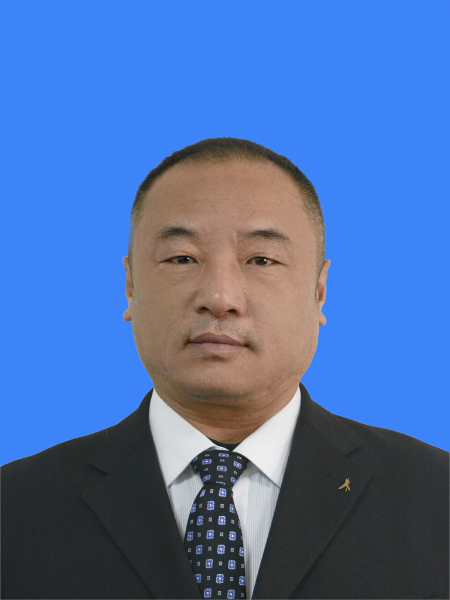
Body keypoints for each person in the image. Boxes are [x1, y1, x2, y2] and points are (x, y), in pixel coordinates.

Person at [1, 137, 448, 600]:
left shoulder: (436, 495)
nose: (219, 297)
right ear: (130, 286)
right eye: (182, 258)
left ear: (319, 292)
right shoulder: (16, 507)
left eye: (261, 260)